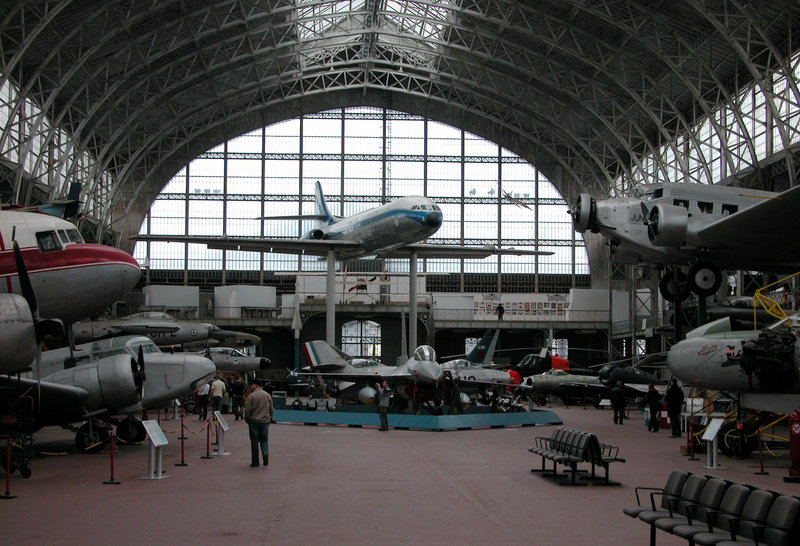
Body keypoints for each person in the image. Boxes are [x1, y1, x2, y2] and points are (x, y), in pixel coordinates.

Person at [244, 382, 273, 467]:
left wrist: (247, 418)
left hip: (254, 421)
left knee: (254, 442)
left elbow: (247, 410)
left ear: (255, 385)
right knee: (264, 439)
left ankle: (255, 462)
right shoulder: (267, 395)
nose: (250, 387)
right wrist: (270, 418)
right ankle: (265, 453)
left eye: (251, 385)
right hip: (264, 421)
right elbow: (271, 409)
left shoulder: (251, 396)